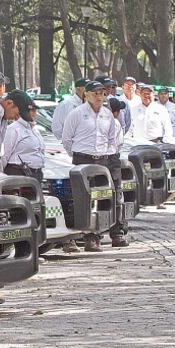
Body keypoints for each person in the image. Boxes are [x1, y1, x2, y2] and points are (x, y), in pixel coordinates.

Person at [61, 81, 127, 251]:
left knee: (103, 197)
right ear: (86, 94)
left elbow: (111, 139)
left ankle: (99, 235)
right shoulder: (76, 113)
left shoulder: (107, 115)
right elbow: (67, 139)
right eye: (96, 93)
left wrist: (105, 155)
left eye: (102, 93)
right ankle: (88, 237)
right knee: (86, 199)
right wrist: (77, 155)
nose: (99, 97)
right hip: (83, 159)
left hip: (103, 160)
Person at [1, 90, 44, 183]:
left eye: (35, 110)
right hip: (19, 174)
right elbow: (4, 157)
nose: (35, 113)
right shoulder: (13, 129)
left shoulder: (34, 130)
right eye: (32, 110)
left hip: (35, 175)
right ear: (24, 111)